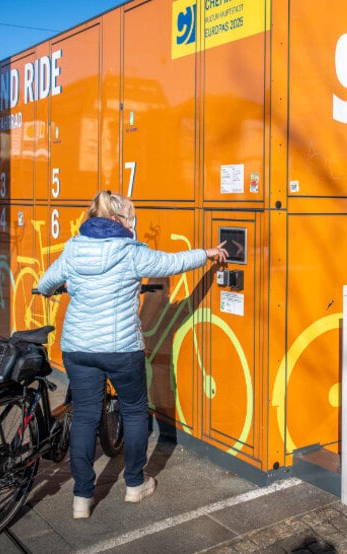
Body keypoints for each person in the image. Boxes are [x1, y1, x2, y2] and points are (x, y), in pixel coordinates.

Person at [37, 190, 228, 520]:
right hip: (120, 349)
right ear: (116, 221)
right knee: (136, 411)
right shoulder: (131, 252)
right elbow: (174, 262)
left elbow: (45, 283)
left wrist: (56, 287)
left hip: (78, 349)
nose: (134, 224)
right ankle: (135, 484)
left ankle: (82, 498)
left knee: (84, 416)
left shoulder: (73, 248)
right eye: (131, 218)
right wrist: (209, 253)